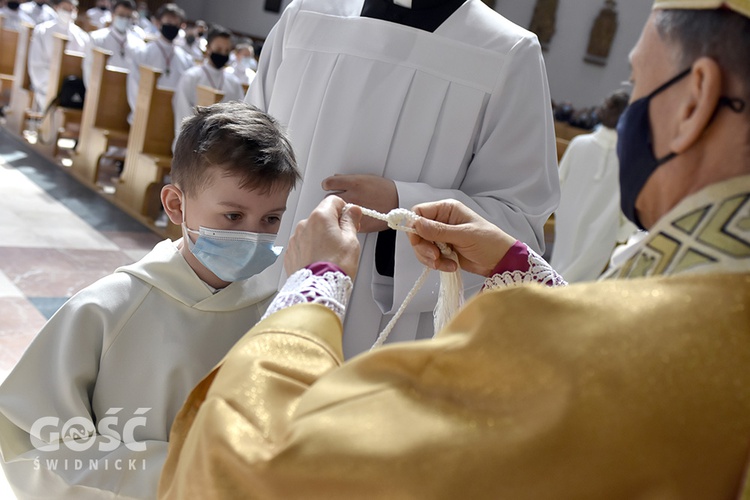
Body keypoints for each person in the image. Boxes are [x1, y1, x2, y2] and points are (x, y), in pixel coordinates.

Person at [157, 0, 750, 497]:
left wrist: (331, 265)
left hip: (383, 326)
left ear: (696, 98)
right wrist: (517, 270)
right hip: (245, 290)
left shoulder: (508, 53)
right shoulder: (306, 14)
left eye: (640, 85)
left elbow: (255, 463)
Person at [0, 102, 300, 499]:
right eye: (232, 216)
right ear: (176, 205)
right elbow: (33, 435)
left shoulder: (275, 316)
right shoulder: (109, 308)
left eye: (271, 220)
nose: (253, 236)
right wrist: (176, 475)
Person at [245, 0, 560, 357]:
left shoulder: (508, 53)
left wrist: (402, 206)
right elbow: (241, 148)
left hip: (385, 336)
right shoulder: (307, 13)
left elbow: (516, 226)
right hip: (259, 289)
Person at [550, 90, 637, 282]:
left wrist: (561, 209)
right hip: (604, 230)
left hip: (568, 219)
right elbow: (629, 201)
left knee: (557, 267)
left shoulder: (579, 143)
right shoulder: (629, 161)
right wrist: (623, 232)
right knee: (583, 279)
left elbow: (557, 182)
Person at [172, 25, 244, 146]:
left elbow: (239, 118)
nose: (222, 54)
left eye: (226, 51)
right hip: (190, 144)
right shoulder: (191, 77)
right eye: (219, 49)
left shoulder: (234, 83)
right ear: (208, 48)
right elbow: (182, 115)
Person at [125, 2, 192, 123]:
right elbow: (134, 87)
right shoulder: (142, 53)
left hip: (173, 119)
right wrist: (143, 113)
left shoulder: (186, 60)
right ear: (158, 23)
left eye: (175, 24)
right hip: (144, 117)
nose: (172, 26)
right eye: (168, 23)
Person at [27, 0, 89, 112]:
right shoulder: (42, 30)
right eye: (65, 9)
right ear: (57, 8)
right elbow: (36, 63)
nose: (68, 12)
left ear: (76, 11)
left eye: (71, 9)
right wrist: (53, 84)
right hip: (46, 83)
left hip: (71, 87)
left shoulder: (83, 37)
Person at [82, 0, 145, 88]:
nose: (125, 19)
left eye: (128, 16)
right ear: (112, 15)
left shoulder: (139, 45)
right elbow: (89, 69)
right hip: (101, 91)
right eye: (121, 15)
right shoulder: (96, 39)